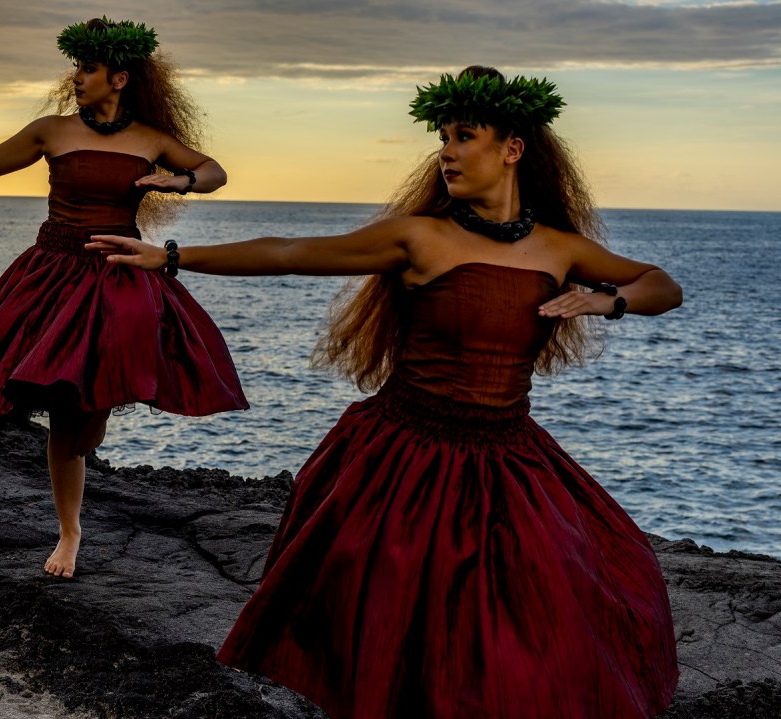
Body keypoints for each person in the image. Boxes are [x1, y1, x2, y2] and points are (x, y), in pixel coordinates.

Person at [88, 66, 682, 718]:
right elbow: (291, 252)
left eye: (463, 137)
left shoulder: (558, 248)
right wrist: (172, 257)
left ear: (513, 148)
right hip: (403, 458)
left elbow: (661, 284)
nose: (446, 152)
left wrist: (609, 300)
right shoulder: (420, 237)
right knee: (386, 633)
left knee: (550, 614)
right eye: (442, 138)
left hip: (507, 460)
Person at [0, 17, 248, 580]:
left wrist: (180, 181)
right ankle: (70, 531)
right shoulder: (51, 131)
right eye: (76, 67)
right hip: (52, 274)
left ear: (119, 78)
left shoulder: (150, 139)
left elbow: (213, 171)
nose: (76, 77)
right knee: (65, 415)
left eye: (88, 69)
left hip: (119, 275)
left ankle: (88, 436)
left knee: (88, 421)